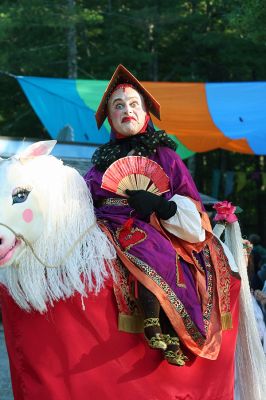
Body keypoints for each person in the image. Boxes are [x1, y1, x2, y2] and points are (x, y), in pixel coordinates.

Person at [85, 64, 240, 367]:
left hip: (154, 231)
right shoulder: (100, 164)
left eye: (133, 104)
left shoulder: (165, 157)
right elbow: (83, 201)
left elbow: (194, 218)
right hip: (102, 229)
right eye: (118, 105)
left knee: (150, 246)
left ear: (145, 114)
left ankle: (165, 325)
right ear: (110, 118)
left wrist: (162, 206)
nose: (126, 110)